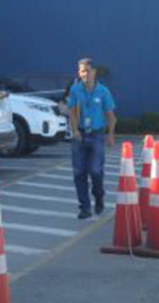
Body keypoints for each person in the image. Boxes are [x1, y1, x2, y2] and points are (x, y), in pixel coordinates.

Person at [68, 58, 116, 219]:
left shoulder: (103, 91)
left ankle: (99, 196)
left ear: (94, 72)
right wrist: (75, 130)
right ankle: (85, 207)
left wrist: (110, 135)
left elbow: (111, 116)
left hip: (96, 135)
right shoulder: (75, 90)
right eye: (82, 71)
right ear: (79, 72)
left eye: (88, 71)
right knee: (79, 172)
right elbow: (72, 112)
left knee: (96, 171)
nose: (85, 74)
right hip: (80, 135)